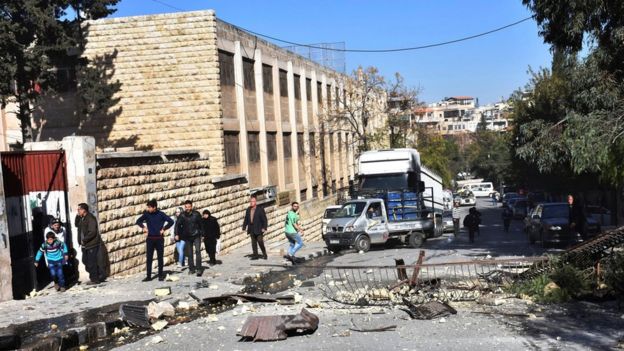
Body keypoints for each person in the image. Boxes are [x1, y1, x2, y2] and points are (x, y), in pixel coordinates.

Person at [136, 199, 174, 282]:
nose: (148, 209)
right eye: (148, 207)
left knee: (160, 258)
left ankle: (160, 275)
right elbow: (138, 221)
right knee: (149, 258)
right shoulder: (146, 214)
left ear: (154, 207)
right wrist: (143, 227)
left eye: (150, 207)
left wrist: (164, 228)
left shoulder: (161, 214)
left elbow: (171, 221)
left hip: (159, 239)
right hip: (150, 239)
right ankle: (148, 276)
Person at [75, 203, 105, 285]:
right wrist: (78, 216)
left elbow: (92, 232)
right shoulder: (82, 218)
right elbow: (76, 224)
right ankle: (99, 274)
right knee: (85, 261)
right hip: (84, 245)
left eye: (79, 209)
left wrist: (84, 240)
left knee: (91, 262)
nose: (77, 211)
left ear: (83, 210)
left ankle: (95, 279)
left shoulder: (90, 218)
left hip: (91, 244)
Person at [175, 200, 203, 276]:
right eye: (186, 207)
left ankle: (199, 269)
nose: (187, 208)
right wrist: (176, 234)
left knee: (197, 251)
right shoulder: (182, 215)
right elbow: (177, 225)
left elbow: (201, 224)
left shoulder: (196, 214)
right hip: (187, 236)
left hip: (196, 235)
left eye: (189, 207)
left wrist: (202, 234)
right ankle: (191, 269)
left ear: (191, 206)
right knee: (190, 253)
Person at [242, 196, 268, 260]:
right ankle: (255, 255)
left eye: (253, 201)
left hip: (259, 228)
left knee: (260, 241)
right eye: (250, 201)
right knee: (253, 242)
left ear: (255, 202)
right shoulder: (248, 209)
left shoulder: (260, 209)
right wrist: (244, 226)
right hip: (251, 228)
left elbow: (264, 219)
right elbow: (246, 218)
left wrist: (264, 227)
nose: (251, 203)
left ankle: (264, 254)